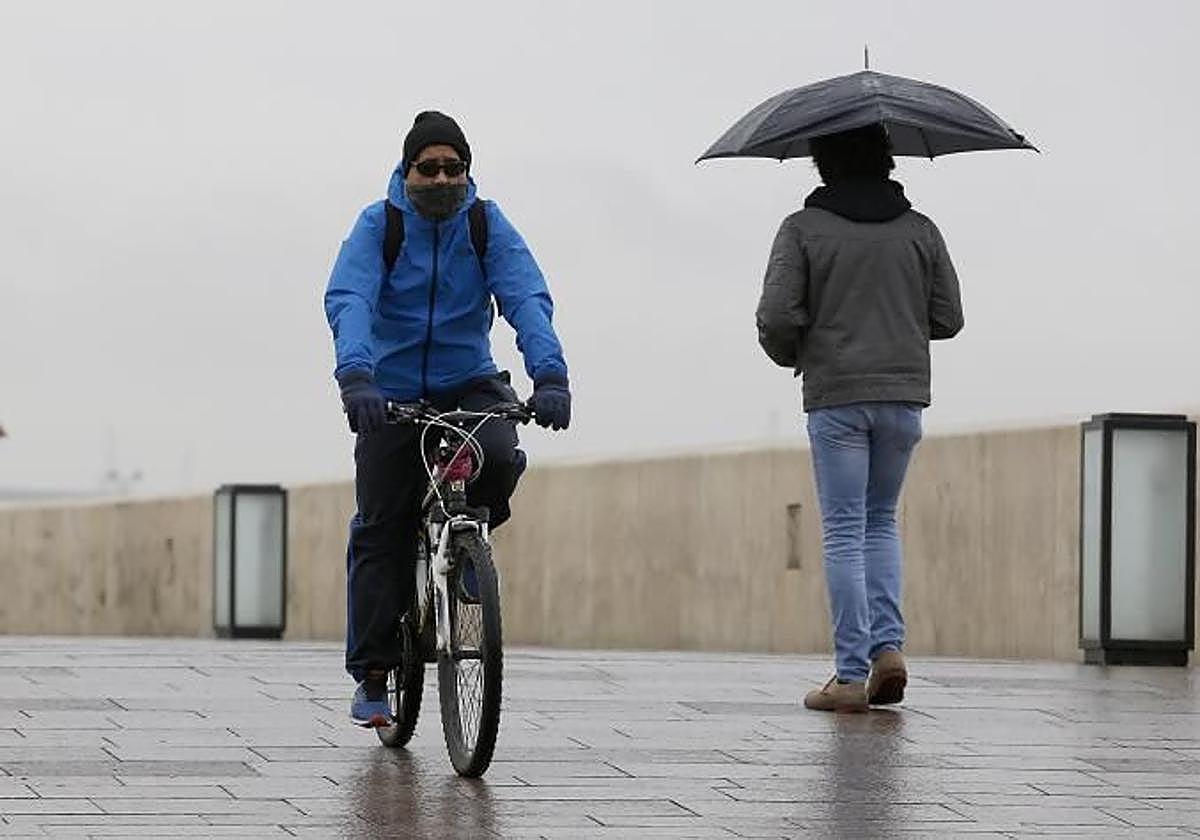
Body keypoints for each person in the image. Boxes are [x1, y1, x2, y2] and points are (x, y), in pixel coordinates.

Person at [324, 111, 571, 727]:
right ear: (406, 170)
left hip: (468, 381)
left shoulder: (485, 224)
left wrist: (550, 375)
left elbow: (525, 296)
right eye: (427, 168)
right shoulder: (379, 226)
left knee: (499, 453)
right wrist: (357, 376)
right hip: (391, 389)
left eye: (453, 168)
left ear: (468, 171)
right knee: (381, 526)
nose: (441, 179)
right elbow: (349, 297)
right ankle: (375, 677)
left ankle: (467, 548)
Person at [755, 123, 963, 713]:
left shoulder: (801, 230)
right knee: (880, 523)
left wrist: (803, 354)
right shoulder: (921, 230)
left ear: (821, 162)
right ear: (886, 159)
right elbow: (948, 317)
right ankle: (888, 650)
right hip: (903, 398)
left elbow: (775, 316)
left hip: (837, 397)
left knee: (844, 530)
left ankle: (849, 676)